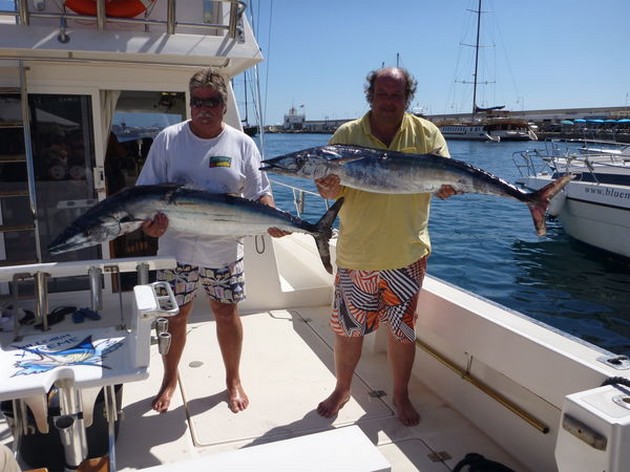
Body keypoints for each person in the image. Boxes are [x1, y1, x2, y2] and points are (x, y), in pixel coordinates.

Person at [314, 67, 457, 426]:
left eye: (396, 95)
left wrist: (447, 185)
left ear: (407, 98)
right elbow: (333, 189)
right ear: (371, 96)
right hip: (357, 252)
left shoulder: (427, 134)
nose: (389, 102)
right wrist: (328, 188)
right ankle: (343, 388)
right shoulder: (347, 135)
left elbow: (446, 175)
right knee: (347, 330)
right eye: (382, 94)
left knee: (402, 330)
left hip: (406, 254)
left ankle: (400, 394)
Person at [137, 67, 284, 414]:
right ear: (190, 104)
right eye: (196, 101)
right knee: (176, 316)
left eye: (212, 101)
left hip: (224, 249)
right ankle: (170, 378)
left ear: (223, 105)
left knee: (225, 312)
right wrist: (150, 227)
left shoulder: (242, 143)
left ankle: (232, 379)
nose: (203, 108)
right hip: (175, 250)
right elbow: (145, 198)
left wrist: (272, 219)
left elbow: (262, 192)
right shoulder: (168, 140)